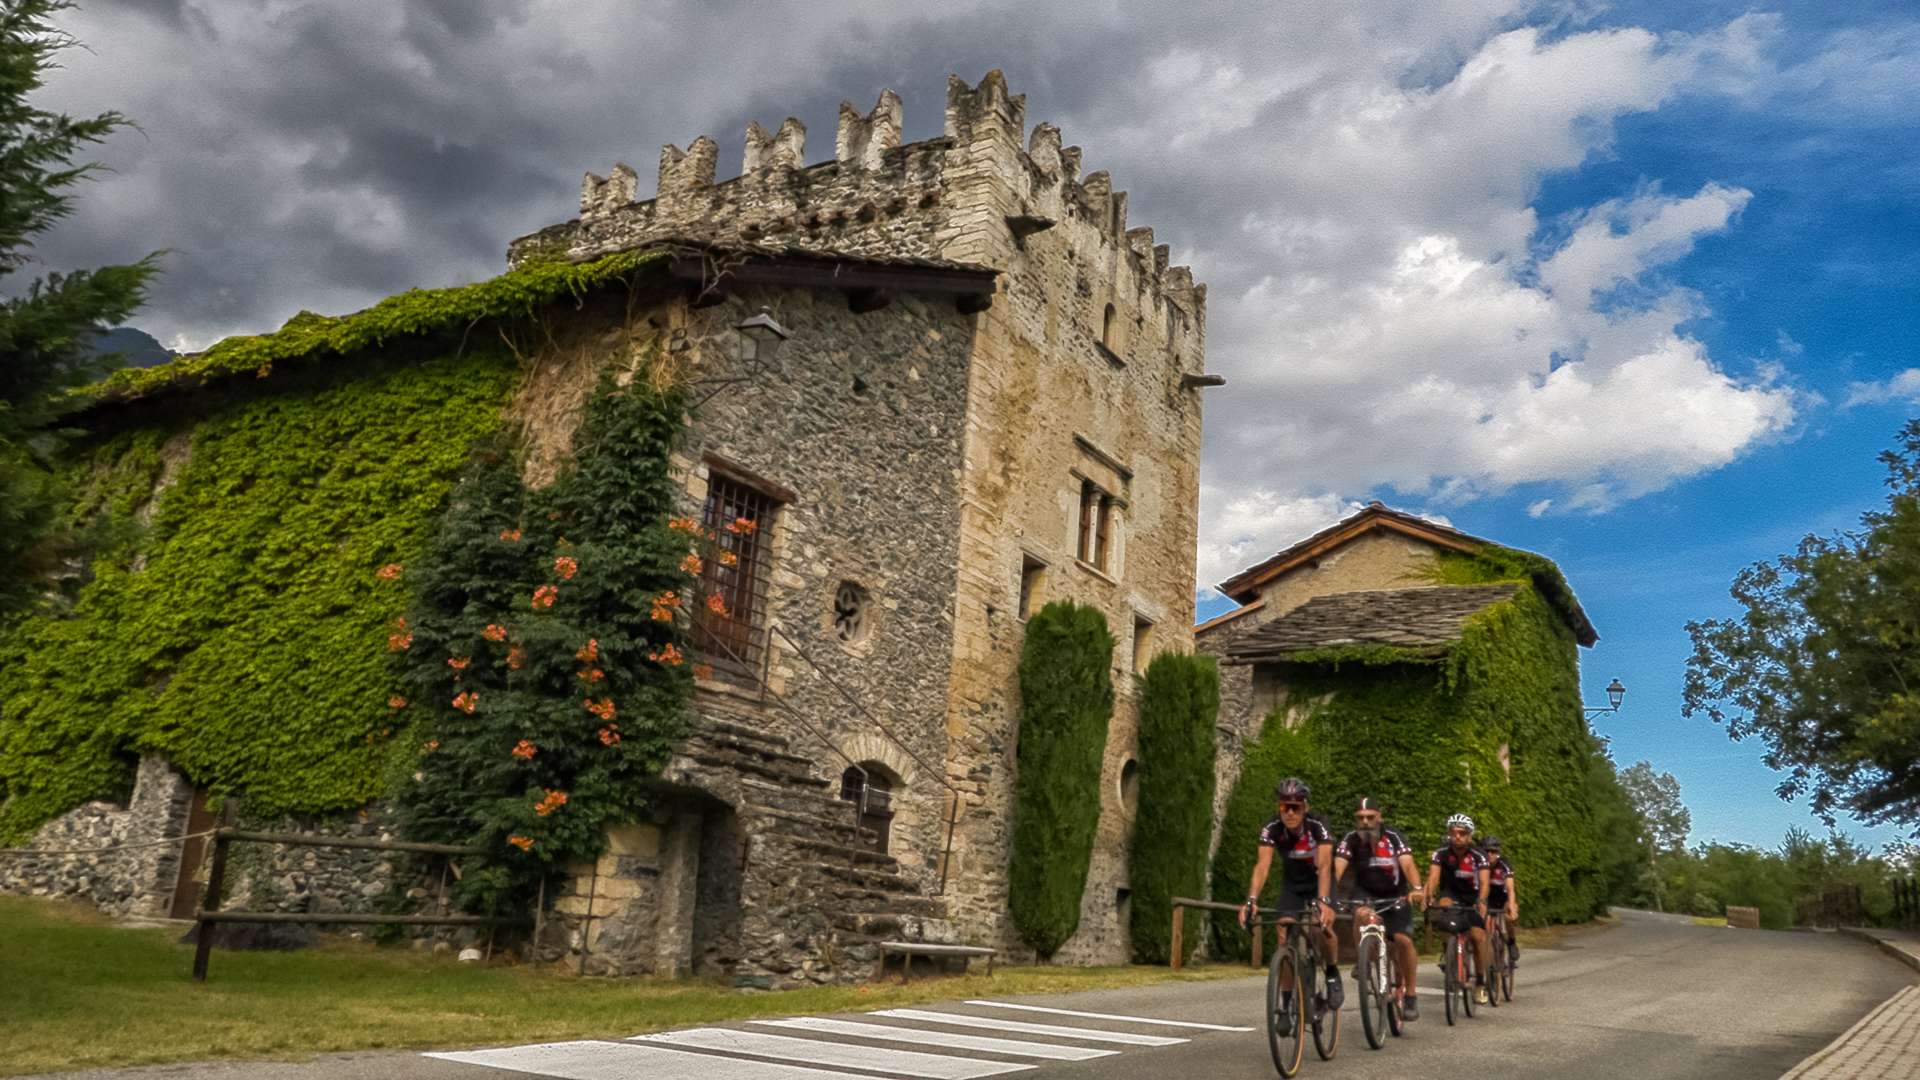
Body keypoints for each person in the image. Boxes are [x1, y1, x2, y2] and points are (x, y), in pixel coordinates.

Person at [1238, 777, 1341, 1016]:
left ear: (1305, 808)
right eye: (1285, 807)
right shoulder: (1272, 827)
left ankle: (1333, 974)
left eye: (1296, 807)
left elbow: (1325, 866)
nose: (1290, 813)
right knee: (1283, 932)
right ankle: (1285, 1002)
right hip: (1293, 885)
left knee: (1321, 926)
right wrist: (1251, 900)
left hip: (1319, 883)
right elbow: (1262, 866)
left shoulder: (1318, 825)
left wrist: (1324, 902)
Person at [1332, 797, 1424, 1021]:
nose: (1365, 822)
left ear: (1379, 817)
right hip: (1366, 892)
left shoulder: (1393, 837)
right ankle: (1363, 959)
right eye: (1360, 818)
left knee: (1403, 940)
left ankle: (1410, 995)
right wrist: (1328, 893)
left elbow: (1408, 864)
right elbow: (1337, 867)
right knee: (1361, 914)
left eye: (1370, 817)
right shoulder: (1351, 839)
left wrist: (1417, 888)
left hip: (1395, 894)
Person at [1423, 812, 1493, 1004]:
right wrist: (1427, 895)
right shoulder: (1441, 853)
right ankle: (1449, 949)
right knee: (1443, 910)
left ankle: (1480, 982)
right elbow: (1434, 878)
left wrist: (1481, 901)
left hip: (1473, 896)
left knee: (1478, 937)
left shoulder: (1479, 855)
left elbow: (1485, 883)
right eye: (1453, 833)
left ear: (1469, 835)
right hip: (1451, 893)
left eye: (1462, 833)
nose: (1457, 837)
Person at [1483, 835, 1519, 967]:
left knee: (1508, 917)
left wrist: (1512, 906)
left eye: (1493, 852)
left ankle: (1512, 942)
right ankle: (1492, 961)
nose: (1490, 855)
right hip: (1489, 899)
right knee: (1487, 926)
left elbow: (1510, 888)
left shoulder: (1504, 864)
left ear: (1498, 853)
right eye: (1486, 851)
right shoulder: (1480, 865)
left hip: (1504, 898)